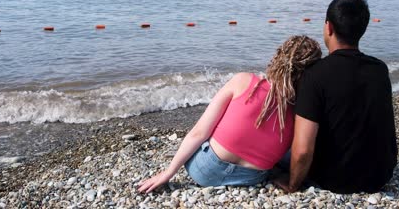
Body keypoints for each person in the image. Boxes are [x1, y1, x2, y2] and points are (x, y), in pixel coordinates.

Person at [138, 36, 322, 193]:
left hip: (204, 172)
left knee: (210, 127)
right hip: (252, 177)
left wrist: (168, 173)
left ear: (279, 57)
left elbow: (199, 132)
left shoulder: (243, 80)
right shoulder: (302, 109)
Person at [275, 0, 397, 194]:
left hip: (335, 179)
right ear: (362, 29)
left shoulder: (315, 75)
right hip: (380, 175)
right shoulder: (379, 69)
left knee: (281, 151)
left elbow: (304, 149)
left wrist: (293, 184)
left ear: (329, 27)